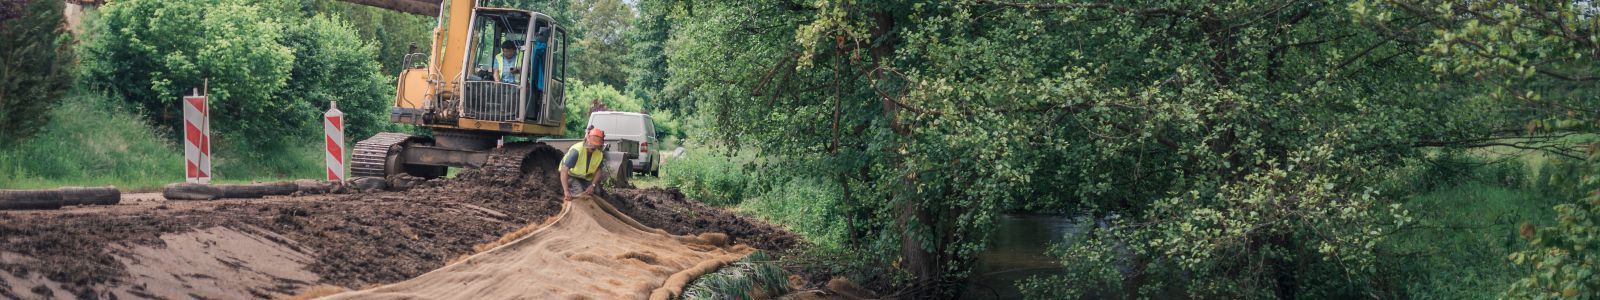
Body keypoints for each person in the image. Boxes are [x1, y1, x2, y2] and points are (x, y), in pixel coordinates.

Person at [560, 127, 606, 201]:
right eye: (592, 143)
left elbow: (599, 170)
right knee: (578, 192)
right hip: (570, 175)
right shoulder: (577, 151)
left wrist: (592, 185)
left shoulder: (599, 154)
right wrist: (566, 190)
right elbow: (564, 170)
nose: (594, 146)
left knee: (596, 192)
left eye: (596, 145)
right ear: (587, 139)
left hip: (584, 178)